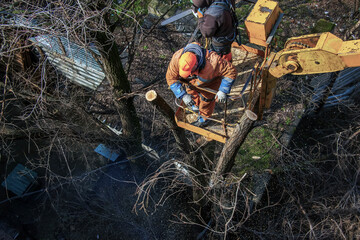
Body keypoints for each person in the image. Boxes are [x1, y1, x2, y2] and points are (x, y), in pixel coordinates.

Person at [166, 42, 237, 127]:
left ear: (196, 64)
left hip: (210, 84)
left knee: (206, 102)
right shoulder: (177, 58)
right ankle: (195, 106)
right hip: (191, 84)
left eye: (190, 72)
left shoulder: (213, 61)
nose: (189, 74)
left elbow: (231, 71)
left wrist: (223, 90)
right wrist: (183, 95)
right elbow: (170, 78)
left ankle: (204, 119)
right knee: (191, 94)